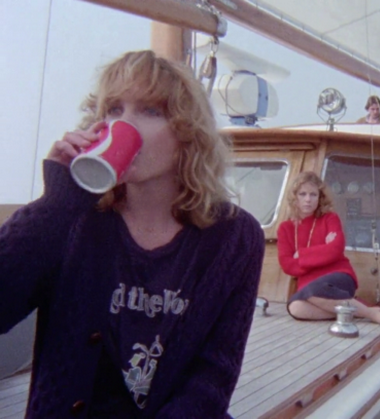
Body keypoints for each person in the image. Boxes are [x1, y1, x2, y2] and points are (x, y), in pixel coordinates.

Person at [0, 50, 265, 418]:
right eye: (113, 110)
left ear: (187, 132)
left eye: (150, 110)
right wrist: (58, 201)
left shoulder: (235, 237)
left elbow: (214, 375)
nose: (124, 124)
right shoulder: (73, 218)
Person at [277, 171, 380, 327]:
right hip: (309, 287)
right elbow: (287, 265)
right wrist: (323, 250)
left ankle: (373, 314)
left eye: (313, 194)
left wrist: (301, 254)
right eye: (303, 194)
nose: (308, 199)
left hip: (339, 277)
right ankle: (356, 310)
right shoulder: (285, 228)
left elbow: (335, 250)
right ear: (295, 197)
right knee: (295, 307)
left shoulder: (330, 218)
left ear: (320, 198)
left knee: (314, 290)